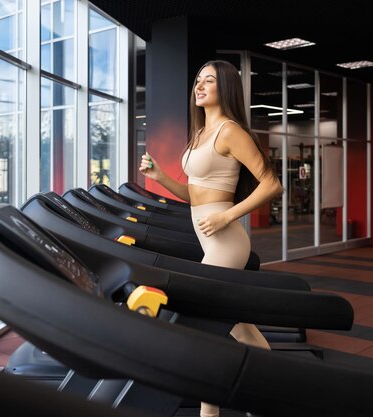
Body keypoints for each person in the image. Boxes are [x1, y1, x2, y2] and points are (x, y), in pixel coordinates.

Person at [139, 60, 282, 417]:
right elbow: (195, 195)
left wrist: (227, 216)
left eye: (209, 81)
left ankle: (209, 410)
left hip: (227, 242)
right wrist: (159, 176)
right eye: (197, 81)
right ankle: (278, 390)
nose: (199, 86)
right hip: (211, 237)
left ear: (227, 87)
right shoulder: (202, 132)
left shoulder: (230, 132)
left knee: (201, 324)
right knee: (241, 329)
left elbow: (272, 185)